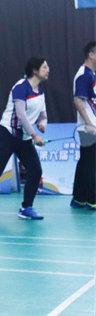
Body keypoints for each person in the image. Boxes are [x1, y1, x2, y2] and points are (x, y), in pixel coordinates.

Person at [0, 56, 49, 220]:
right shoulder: (20, 87)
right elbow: (21, 114)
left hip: (25, 139)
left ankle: (26, 208)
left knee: (36, 171)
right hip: (8, 134)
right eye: (44, 67)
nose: (48, 70)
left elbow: (43, 115)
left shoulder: (40, 92)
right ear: (35, 71)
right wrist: (35, 134)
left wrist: (42, 124)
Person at [71, 41, 96, 210]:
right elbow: (78, 101)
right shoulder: (84, 74)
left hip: (91, 125)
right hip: (88, 128)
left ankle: (79, 198)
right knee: (91, 163)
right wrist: (90, 124)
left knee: (86, 161)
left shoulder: (92, 74)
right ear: (91, 55)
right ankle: (92, 200)